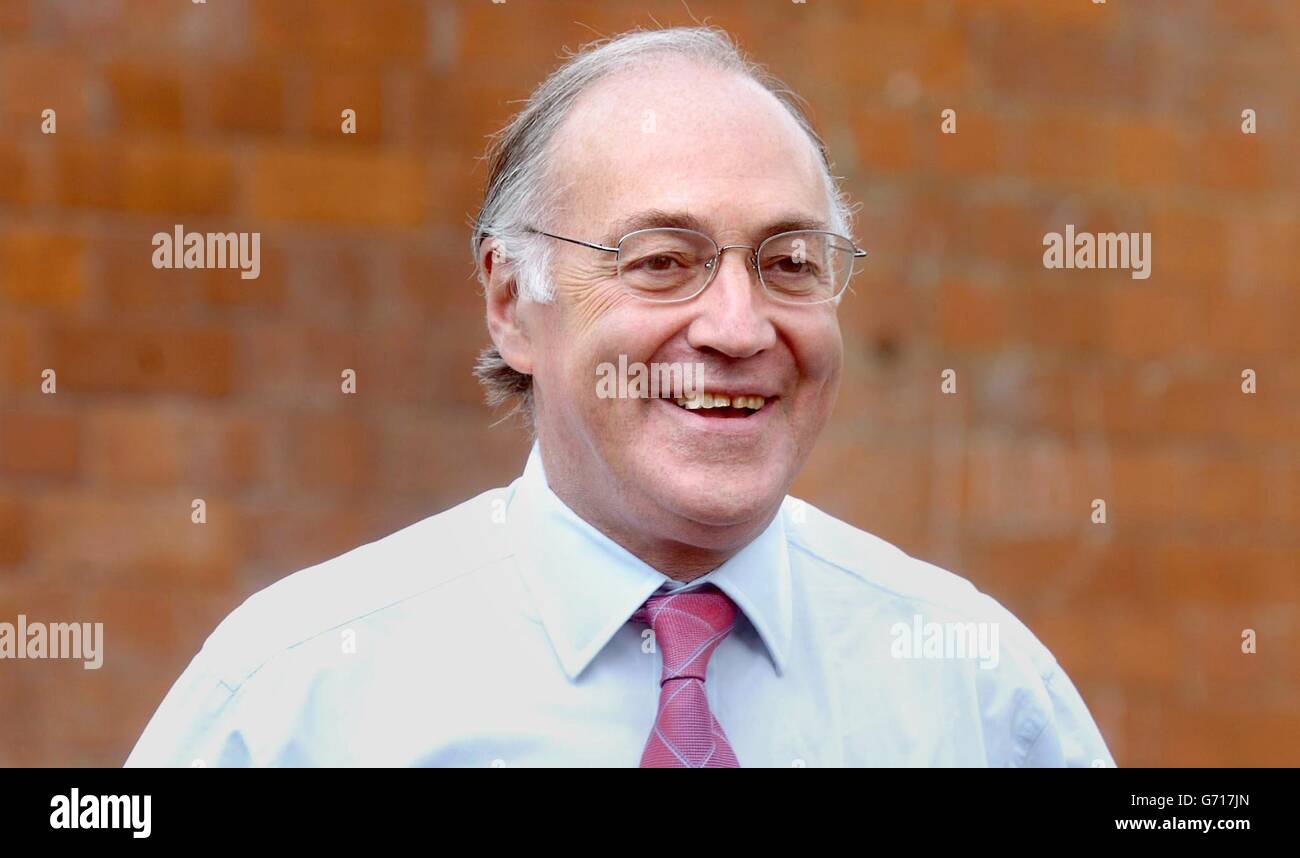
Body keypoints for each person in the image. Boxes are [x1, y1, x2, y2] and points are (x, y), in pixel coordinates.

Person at [127, 26, 1113, 768]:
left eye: (787, 263)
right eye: (660, 262)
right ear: (512, 303)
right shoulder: (298, 694)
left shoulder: (974, 691)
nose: (736, 326)